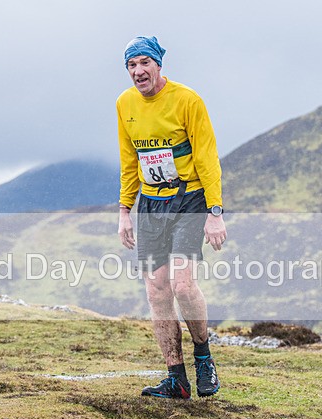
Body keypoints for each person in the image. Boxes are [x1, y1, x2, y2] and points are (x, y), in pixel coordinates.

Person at [116, 36, 227, 399]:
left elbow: (207, 157)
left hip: (189, 201)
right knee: (156, 290)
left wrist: (215, 212)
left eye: (144, 63)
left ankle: (204, 356)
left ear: (159, 65)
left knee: (182, 284)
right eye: (131, 65)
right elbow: (129, 161)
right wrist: (124, 211)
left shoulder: (187, 100)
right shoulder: (125, 104)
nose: (138, 71)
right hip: (150, 205)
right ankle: (176, 378)